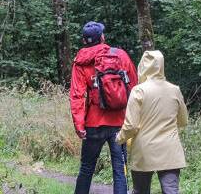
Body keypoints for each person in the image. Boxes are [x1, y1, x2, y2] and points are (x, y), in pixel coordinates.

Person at [70, 21, 138, 194]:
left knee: (86, 169)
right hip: (119, 122)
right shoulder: (119, 55)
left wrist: (79, 125)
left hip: (93, 124)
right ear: (102, 37)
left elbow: (77, 96)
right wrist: (132, 119)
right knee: (119, 170)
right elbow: (134, 88)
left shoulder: (80, 62)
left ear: (84, 41)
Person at [117, 50, 188, 194]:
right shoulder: (175, 90)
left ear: (142, 66)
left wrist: (119, 138)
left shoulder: (138, 91)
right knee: (171, 191)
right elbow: (183, 121)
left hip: (144, 150)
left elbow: (131, 126)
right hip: (170, 149)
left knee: (140, 191)